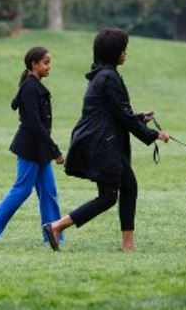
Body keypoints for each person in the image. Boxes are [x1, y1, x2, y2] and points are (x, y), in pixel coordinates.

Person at [43, 28, 170, 252]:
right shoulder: (108, 77)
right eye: (123, 49)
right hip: (103, 144)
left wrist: (140, 118)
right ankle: (57, 226)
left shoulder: (101, 75)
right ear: (114, 52)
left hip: (105, 141)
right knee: (108, 197)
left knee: (129, 187)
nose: (125, 53)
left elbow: (115, 113)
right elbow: (121, 116)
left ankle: (128, 244)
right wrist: (154, 134)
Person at [0, 46, 65, 246]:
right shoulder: (30, 88)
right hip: (29, 148)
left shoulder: (32, 86)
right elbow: (34, 124)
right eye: (46, 63)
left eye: (49, 62)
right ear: (34, 64)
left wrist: (49, 150)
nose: (49, 66)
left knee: (49, 192)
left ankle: (53, 234)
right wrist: (55, 150)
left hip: (40, 150)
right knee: (22, 190)